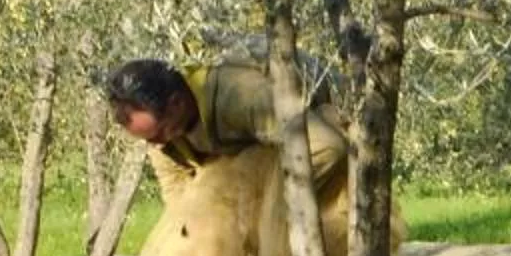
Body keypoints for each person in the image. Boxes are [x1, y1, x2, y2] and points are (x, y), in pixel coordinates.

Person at [98, 56, 345, 197]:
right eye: (147, 139)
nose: (156, 145)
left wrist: (269, 203)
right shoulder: (159, 134)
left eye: (160, 132)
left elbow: (327, 147)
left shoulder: (242, 95)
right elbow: (179, 200)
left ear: (176, 104)